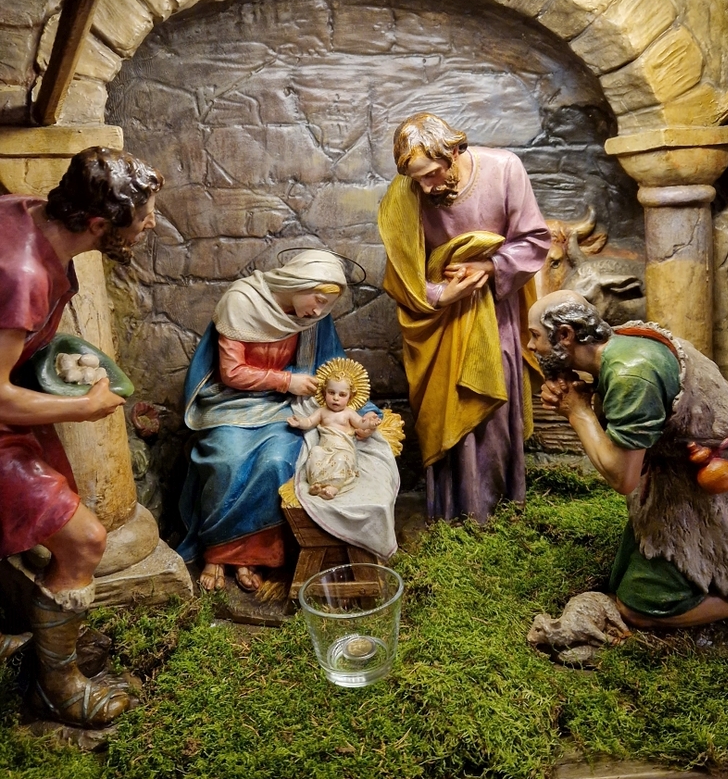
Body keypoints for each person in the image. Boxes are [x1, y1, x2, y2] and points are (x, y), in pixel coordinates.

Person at [0, 147, 163, 725]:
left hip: (17, 410)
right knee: (84, 540)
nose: (150, 225)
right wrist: (85, 407)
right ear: (97, 224)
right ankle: (57, 686)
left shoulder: (25, 210)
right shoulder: (23, 274)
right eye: (142, 217)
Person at [528, 290, 728, 628]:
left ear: (565, 335)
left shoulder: (631, 374)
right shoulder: (621, 343)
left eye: (535, 336)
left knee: (642, 607)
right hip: (671, 479)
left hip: (701, 494)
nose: (531, 346)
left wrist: (577, 412)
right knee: (621, 580)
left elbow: (622, 477)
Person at [378, 112, 550, 522]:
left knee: (493, 412)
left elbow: (533, 240)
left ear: (454, 151)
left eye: (432, 174)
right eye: (417, 179)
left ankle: (498, 514)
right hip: (440, 324)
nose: (425, 187)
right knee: (446, 415)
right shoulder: (406, 193)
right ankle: (452, 518)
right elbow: (402, 273)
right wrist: (441, 294)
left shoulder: (504, 169)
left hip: (494, 311)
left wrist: (490, 267)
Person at [177, 250, 355, 592]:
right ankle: (217, 551)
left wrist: (357, 407)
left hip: (282, 406)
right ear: (298, 282)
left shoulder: (314, 317)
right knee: (226, 460)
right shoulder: (242, 301)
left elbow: (333, 365)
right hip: (230, 401)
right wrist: (286, 380)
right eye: (318, 300)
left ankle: (253, 556)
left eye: (327, 306)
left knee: (277, 461)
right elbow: (231, 372)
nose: (318, 312)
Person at [288, 358, 382, 500]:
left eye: (342, 395)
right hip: (325, 448)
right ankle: (316, 484)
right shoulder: (322, 411)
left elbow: (360, 423)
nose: (336, 398)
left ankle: (333, 488)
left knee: (341, 460)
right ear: (324, 392)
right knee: (315, 453)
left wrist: (370, 424)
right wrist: (299, 422)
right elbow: (309, 422)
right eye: (331, 393)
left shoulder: (349, 413)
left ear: (350, 396)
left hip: (343, 450)